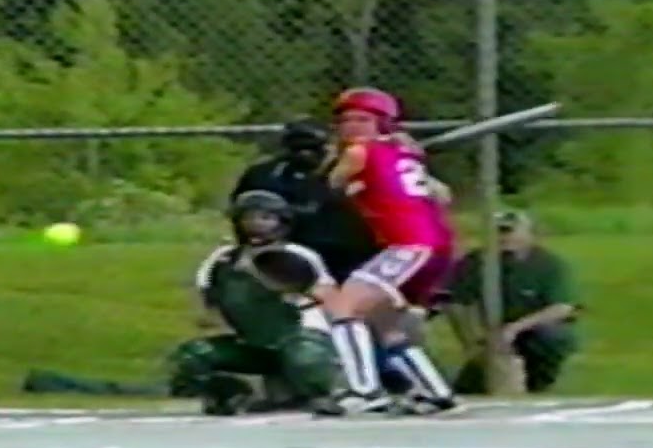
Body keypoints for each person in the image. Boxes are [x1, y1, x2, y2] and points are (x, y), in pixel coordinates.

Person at [314, 87, 459, 417]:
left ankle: (363, 391)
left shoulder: (359, 152)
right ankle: (435, 391)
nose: (352, 126)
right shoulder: (405, 157)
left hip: (408, 245)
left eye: (363, 120)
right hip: (436, 247)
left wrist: (346, 163)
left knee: (344, 306)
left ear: (383, 123)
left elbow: (330, 184)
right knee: (382, 321)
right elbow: (443, 195)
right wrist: (402, 157)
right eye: (346, 120)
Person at [167, 190, 339, 415]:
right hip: (252, 342)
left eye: (266, 218)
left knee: (306, 356)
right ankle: (231, 395)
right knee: (191, 356)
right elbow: (208, 309)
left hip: (299, 335)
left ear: (282, 223)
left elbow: (330, 298)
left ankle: (318, 395)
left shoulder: (299, 255)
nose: (256, 224)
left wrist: (287, 285)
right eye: (248, 218)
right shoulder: (222, 259)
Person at [447, 210, 582, 393]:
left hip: (533, 331)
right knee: (471, 387)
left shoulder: (548, 264)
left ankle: (538, 383)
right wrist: (472, 342)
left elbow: (561, 307)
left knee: (551, 336)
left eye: (509, 231)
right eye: (498, 231)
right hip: (493, 335)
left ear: (528, 233)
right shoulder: (475, 262)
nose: (503, 237)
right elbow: (457, 304)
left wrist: (514, 329)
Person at [231, 119, 379, 283]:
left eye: (313, 147)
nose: (305, 154)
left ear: (332, 145)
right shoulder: (264, 175)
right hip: (284, 252)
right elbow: (242, 213)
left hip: (350, 254)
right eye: (298, 147)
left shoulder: (358, 172)